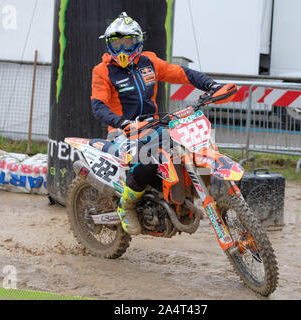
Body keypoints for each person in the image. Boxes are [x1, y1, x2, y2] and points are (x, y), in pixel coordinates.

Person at [91, 12, 222, 235]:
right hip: (122, 133)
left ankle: (188, 197)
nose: (123, 49)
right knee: (148, 161)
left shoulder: (148, 62)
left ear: (138, 42)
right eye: (117, 43)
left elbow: (182, 73)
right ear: (108, 44)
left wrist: (211, 85)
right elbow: (98, 106)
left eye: (128, 42)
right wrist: (121, 123)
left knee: (197, 145)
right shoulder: (102, 71)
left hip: (155, 126)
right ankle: (126, 206)